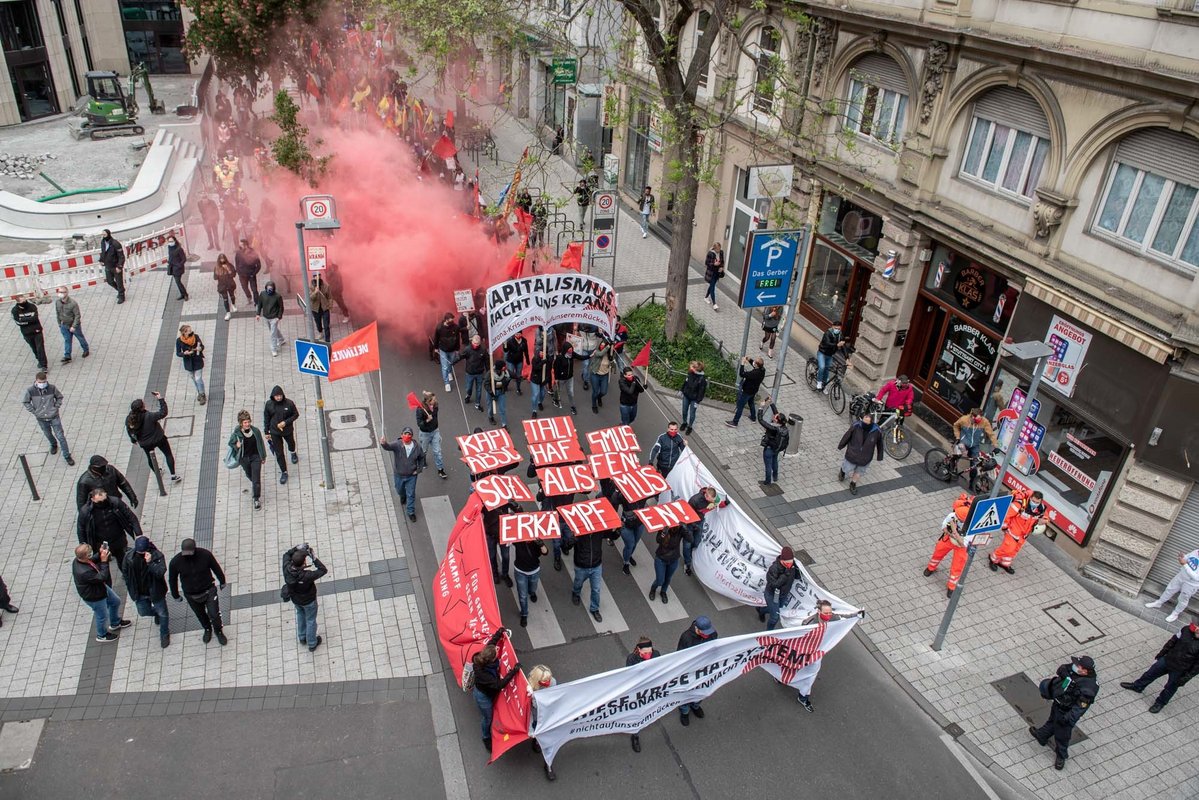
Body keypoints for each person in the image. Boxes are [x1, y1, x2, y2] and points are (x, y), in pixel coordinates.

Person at [1031, 655, 1098, 770]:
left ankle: (1061, 756)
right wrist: (1067, 677)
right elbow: (1062, 669)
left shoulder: (1088, 688)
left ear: (1085, 671)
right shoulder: (1074, 671)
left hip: (1067, 712)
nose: (1074, 666)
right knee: (1052, 720)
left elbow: (1080, 708)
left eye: (1078, 666)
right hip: (1059, 702)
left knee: (1062, 735)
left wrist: (1067, 719)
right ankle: (1042, 735)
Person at [1121, 615, 1199, 713]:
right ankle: (1138, 686)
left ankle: (1160, 703)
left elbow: (1197, 667)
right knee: (1149, 674)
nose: (1197, 629)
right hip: (1167, 660)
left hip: (1180, 670)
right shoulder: (1185, 630)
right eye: (1197, 627)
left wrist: (1185, 678)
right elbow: (1172, 642)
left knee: (1170, 688)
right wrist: (1160, 655)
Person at [168, 538, 227, 644]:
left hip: (209, 590)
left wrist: (222, 581)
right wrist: (175, 595)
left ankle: (218, 631)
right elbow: (172, 579)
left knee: (214, 614)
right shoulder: (175, 562)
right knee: (200, 614)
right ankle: (207, 629)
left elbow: (216, 568)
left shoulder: (205, 555)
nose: (187, 555)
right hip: (191, 595)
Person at [472, 629, 521, 753]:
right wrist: (513, 672)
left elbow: (492, 642)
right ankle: (486, 737)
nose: (498, 650)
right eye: (496, 652)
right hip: (483, 696)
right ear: (492, 660)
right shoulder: (484, 675)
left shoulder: (484, 655)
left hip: (487, 692)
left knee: (489, 714)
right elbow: (499, 685)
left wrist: (500, 632)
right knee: (487, 718)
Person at [77, 486, 142, 577]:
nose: (102, 503)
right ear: (92, 499)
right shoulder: (86, 511)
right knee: (102, 562)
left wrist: (138, 534)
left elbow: (131, 517)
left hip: (118, 538)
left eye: (104, 500)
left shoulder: (115, 502)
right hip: (101, 543)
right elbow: (81, 529)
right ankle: (105, 578)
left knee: (122, 559)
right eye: (99, 502)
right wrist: (83, 545)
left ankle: (127, 575)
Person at [72, 542, 130, 643]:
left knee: (115, 601)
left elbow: (92, 561)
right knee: (102, 615)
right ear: (85, 556)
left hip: (99, 588)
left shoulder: (79, 561)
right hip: (94, 596)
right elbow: (103, 576)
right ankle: (101, 634)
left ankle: (115, 622)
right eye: (89, 553)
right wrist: (104, 561)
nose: (91, 554)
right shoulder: (84, 572)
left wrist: (99, 554)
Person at [123, 536, 171, 648]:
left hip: (156, 591)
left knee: (163, 614)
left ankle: (164, 633)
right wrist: (129, 585)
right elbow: (125, 571)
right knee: (143, 612)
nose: (141, 554)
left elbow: (160, 573)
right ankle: (155, 614)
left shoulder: (157, 555)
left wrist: (150, 563)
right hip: (139, 592)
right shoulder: (129, 556)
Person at [563, 522, 616, 622]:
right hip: (581, 565)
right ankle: (576, 592)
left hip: (596, 565)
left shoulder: (599, 531)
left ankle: (594, 609)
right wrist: (572, 540)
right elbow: (565, 546)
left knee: (596, 589)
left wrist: (616, 530)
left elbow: (611, 535)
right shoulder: (578, 533)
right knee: (578, 582)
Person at [924, 493, 972, 598]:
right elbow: (944, 528)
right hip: (948, 539)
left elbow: (963, 544)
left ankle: (951, 587)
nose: (957, 519)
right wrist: (952, 532)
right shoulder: (953, 516)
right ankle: (930, 568)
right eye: (957, 517)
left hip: (961, 547)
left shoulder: (972, 527)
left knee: (957, 566)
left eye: (960, 519)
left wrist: (954, 531)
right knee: (938, 553)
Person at [989, 490, 1047, 574]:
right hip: (1013, 531)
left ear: (1040, 501)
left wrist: (1044, 521)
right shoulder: (1020, 504)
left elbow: (1046, 517)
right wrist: (1005, 527)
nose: (1034, 503)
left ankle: (1005, 563)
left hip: (1024, 535)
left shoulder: (1041, 508)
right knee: (1007, 548)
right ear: (1030, 498)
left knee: (1014, 550)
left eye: (1037, 502)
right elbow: (1007, 515)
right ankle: (993, 559)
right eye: (1033, 501)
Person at [126, 393, 181, 482]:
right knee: (168, 454)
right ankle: (173, 475)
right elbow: (163, 412)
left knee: (150, 458)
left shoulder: (130, 419)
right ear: (142, 407)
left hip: (145, 443)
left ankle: (157, 472)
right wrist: (160, 398)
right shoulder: (150, 416)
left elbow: (129, 430)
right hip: (159, 439)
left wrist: (133, 440)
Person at [22, 371, 73, 465]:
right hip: (41, 418)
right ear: (36, 381)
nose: (42, 384)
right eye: (40, 382)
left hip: (54, 417)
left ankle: (67, 455)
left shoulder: (52, 388)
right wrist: (34, 411)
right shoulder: (30, 390)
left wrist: (56, 407)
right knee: (47, 433)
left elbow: (59, 397)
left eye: (44, 382)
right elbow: (26, 402)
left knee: (61, 436)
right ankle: (53, 444)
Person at [284, 545, 328, 653]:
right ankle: (312, 643)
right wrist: (314, 557)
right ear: (304, 562)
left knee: (300, 614)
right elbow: (323, 570)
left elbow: (286, 555)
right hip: (309, 601)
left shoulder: (286, 568)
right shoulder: (307, 575)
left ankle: (302, 637)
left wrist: (296, 549)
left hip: (296, 599)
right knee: (310, 620)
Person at [676, 616, 718, 724]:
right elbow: (680, 656)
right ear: (697, 629)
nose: (707, 635)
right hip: (689, 671)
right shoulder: (686, 637)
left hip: (704, 669)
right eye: (705, 632)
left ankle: (695, 705)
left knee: (701, 690)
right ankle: (684, 711)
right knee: (686, 692)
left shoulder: (712, 634)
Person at [381, 426, 426, 522]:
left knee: (411, 494)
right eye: (405, 434)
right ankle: (402, 495)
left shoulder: (417, 447)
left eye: (409, 434)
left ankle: (411, 512)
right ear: (401, 435)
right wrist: (384, 443)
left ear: (412, 436)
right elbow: (388, 447)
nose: (407, 435)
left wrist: (419, 469)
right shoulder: (397, 445)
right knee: (399, 490)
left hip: (411, 476)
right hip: (399, 475)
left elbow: (422, 458)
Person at [837, 410, 884, 495]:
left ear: (871, 422)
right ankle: (843, 472)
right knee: (847, 468)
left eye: (867, 423)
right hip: (852, 454)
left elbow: (880, 443)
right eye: (863, 421)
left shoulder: (877, 431)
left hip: (865, 458)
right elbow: (847, 436)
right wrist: (841, 445)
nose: (864, 424)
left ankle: (853, 484)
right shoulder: (856, 426)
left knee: (859, 472)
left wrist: (880, 456)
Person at [951, 408, 999, 490]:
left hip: (975, 445)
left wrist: (996, 446)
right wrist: (958, 437)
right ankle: (950, 471)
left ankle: (972, 483)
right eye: (976, 420)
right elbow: (955, 425)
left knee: (975, 464)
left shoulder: (984, 421)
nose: (978, 422)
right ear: (972, 416)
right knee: (956, 455)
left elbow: (991, 434)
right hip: (964, 442)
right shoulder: (964, 419)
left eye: (979, 420)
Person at [1146, 549, 1199, 623]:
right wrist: (1182, 557)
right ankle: (1159, 603)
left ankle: (1175, 613)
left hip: (1191, 584)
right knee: (1169, 589)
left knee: (1183, 598)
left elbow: (1197, 577)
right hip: (1181, 576)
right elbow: (1187, 558)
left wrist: (1185, 564)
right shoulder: (1196, 551)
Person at [625, 637, 659, 752]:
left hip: (650, 688)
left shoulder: (656, 654)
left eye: (650, 652)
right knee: (636, 714)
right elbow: (629, 676)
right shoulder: (632, 659)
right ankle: (635, 735)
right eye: (645, 653)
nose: (648, 654)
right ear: (638, 650)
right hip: (638, 690)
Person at [683, 487, 726, 576]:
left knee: (696, 543)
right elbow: (687, 513)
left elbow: (717, 503)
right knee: (687, 544)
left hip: (700, 522)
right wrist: (693, 524)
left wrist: (725, 503)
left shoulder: (713, 498)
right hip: (690, 524)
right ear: (706, 496)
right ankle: (687, 564)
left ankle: (691, 555)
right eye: (711, 500)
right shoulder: (694, 500)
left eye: (713, 500)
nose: (712, 502)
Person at [229, 409, 266, 509]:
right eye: (245, 422)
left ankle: (256, 498)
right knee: (249, 475)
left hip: (255, 457)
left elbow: (261, 443)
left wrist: (263, 456)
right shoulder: (237, 434)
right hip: (244, 459)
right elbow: (230, 443)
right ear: (241, 423)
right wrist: (236, 446)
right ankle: (255, 484)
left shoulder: (255, 431)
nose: (247, 424)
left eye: (248, 421)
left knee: (256, 478)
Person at [263, 385, 300, 484]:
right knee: (279, 453)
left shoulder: (289, 403)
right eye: (276, 396)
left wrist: (286, 422)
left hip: (287, 430)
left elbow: (296, 414)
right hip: (275, 432)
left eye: (280, 395)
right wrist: (266, 431)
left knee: (291, 443)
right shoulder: (269, 404)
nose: (278, 398)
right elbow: (266, 418)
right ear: (273, 396)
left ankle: (292, 452)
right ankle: (284, 471)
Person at [648, 524, 692, 605]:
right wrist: (664, 532)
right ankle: (653, 589)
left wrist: (686, 529)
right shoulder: (664, 528)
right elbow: (658, 540)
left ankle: (663, 592)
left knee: (668, 578)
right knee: (660, 580)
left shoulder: (681, 530)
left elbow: (690, 539)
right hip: (661, 559)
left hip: (673, 560)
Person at [760, 547, 802, 630]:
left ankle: (762, 610)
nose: (789, 565)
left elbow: (797, 576)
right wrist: (785, 574)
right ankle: (769, 633)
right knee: (775, 617)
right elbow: (774, 584)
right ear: (781, 560)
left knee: (778, 608)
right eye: (787, 563)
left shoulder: (792, 566)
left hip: (783, 594)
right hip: (772, 594)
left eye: (791, 562)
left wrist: (797, 570)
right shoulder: (774, 568)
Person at [513, 537, 548, 628]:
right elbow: (508, 539)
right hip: (520, 571)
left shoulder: (537, 541)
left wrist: (541, 544)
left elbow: (545, 552)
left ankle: (532, 592)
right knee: (522, 596)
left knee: (533, 587)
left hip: (534, 570)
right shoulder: (518, 539)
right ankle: (524, 614)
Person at [415, 391, 447, 479]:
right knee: (424, 450)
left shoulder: (435, 406)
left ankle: (440, 469)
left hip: (435, 431)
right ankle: (423, 460)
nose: (435, 400)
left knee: (438, 451)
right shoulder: (420, 409)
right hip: (425, 433)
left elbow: (434, 411)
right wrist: (427, 420)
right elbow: (419, 423)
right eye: (433, 399)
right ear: (428, 401)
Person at [11, 294, 48, 370]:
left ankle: (44, 365)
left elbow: (35, 318)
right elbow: (18, 322)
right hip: (26, 333)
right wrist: (29, 320)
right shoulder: (15, 310)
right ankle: (39, 359)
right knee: (34, 348)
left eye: (25, 300)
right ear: (18, 302)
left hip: (37, 331)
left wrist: (24, 320)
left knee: (40, 348)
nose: (24, 302)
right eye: (22, 301)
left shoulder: (32, 307)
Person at [54, 286, 90, 363]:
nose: (60, 294)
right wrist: (59, 324)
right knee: (67, 340)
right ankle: (67, 356)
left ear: (66, 293)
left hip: (73, 325)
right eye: (59, 292)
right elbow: (57, 313)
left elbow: (77, 315)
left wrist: (74, 326)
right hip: (64, 325)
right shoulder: (57, 302)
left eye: (62, 292)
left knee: (80, 337)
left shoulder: (73, 303)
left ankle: (86, 349)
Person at [726, 357, 765, 427]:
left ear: (757, 365)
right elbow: (754, 364)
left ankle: (735, 422)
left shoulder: (753, 373)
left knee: (740, 406)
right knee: (751, 403)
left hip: (747, 391)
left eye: (755, 362)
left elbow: (742, 374)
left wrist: (742, 364)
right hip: (754, 390)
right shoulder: (762, 370)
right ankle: (753, 418)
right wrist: (749, 359)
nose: (753, 363)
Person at [759, 402, 791, 486]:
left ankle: (767, 481)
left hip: (769, 448)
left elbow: (761, 420)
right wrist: (771, 403)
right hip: (777, 448)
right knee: (774, 461)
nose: (774, 416)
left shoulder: (773, 429)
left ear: (776, 420)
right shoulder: (784, 427)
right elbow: (777, 414)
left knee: (768, 465)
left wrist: (761, 408)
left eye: (775, 417)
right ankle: (775, 476)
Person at [175, 324, 207, 404]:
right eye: (189, 331)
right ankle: (199, 392)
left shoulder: (195, 337)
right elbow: (178, 353)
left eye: (190, 330)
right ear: (184, 333)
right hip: (188, 362)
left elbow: (202, 346)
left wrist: (200, 348)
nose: (191, 331)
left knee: (198, 379)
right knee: (193, 378)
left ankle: (202, 394)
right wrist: (184, 353)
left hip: (197, 360)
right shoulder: (179, 341)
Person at [457, 335, 490, 411]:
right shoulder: (467, 349)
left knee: (479, 389)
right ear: (472, 341)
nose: (475, 345)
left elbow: (487, 361)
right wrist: (453, 361)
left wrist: (488, 371)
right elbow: (461, 356)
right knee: (469, 387)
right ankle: (468, 395)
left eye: (477, 344)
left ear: (479, 343)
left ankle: (477, 404)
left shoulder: (483, 350)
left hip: (479, 373)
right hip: (470, 373)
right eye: (474, 343)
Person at [255, 280, 286, 357]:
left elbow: (281, 307)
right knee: (273, 330)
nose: (269, 290)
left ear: (273, 288)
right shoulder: (262, 294)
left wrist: (278, 317)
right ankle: (281, 339)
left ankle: (274, 349)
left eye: (271, 288)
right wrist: (258, 314)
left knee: (273, 334)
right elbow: (259, 304)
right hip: (266, 317)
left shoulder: (278, 296)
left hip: (274, 318)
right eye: (268, 288)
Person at [434, 313, 462, 393]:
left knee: (451, 363)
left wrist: (457, 349)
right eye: (450, 320)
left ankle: (449, 372)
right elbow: (436, 338)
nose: (452, 322)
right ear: (446, 320)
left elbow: (457, 339)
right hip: (443, 350)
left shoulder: (456, 327)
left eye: (453, 320)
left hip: (452, 350)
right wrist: (436, 348)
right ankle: (447, 383)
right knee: (444, 366)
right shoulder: (439, 328)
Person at [99, 229, 126, 303]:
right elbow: (103, 252)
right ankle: (120, 291)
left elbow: (121, 256)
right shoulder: (103, 242)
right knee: (110, 281)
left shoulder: (115, 243)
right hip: (108, 266)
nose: (103, 236)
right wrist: (101, 260)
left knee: (119, 282)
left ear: (108, 234)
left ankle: (121, 295)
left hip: (115, 266)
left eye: (104, 235)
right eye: (102, 235)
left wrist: (119, 266)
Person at [680, 360, 708, 435]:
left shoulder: (702, 380)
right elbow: (686, 382)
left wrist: (697, 401)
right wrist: (682, 390)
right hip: (686, 395)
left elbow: (701, 392)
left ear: (696, 369)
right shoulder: (690, 373)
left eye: (692, 366)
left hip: (694, 399)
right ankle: (684, 422)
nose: (690, 367)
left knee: (692, 414)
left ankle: (690, 427)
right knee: (684, 411)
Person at [814, 324, 844, 391]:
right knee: (822, 367)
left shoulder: (840, 335)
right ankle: (819, 382)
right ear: (832, 327)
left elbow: (842, 347)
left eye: (839, 329)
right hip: (822, 353)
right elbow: (827, 343)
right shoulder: (827, 333)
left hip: (830, 355)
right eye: (836, 328)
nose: (837, 330)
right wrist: (837, 345)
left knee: (827, 369)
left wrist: (847, 358)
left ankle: (824, 384)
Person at [552, 342, 578, 415]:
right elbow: (555, 368)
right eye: (569, 349)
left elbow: (580, 357)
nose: (571, 351)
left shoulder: (572, 355)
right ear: (566, 349)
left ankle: (573, 406)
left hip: (570, 377)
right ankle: (555, 398)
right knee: (558, 390)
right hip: (561, 378)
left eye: (571, 349)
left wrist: (589, 355)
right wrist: (556, 378)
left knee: (571, 393)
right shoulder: (559, 357)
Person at [234, 238, 262, 304]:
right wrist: (238, 271)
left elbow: (258, 264)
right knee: (245, 288)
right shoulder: (238, 253)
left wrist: (254, 273)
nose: (239, 246)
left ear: (245, 245)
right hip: (242, 275)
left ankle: (257, 302)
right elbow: (237, 263)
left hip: (251, 274)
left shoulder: (253, 252)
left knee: (254, 290)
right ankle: (249, 297)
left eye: (241, 245)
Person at [589, 340, 613, 414]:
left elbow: (611, 364)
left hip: (604, 375)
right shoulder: (597, 352)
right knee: (595, 392)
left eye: (604, 345)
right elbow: (600, 354)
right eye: (601, 345)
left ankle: (599, 397)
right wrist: (608, 346)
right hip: (595, 374)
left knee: (604, 392)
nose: (602, 346)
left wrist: (612, 359)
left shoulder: (609, 355)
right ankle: (594, 405)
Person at [504, 331, 530, 396]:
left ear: (521, 334)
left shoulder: (524, 340)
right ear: (514, 334)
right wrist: (505, 345)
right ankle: (505, 386)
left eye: (519, 333)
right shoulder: (510, 341)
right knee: (510, 375)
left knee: (518, 375)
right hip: (511, 360)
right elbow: (506, 350)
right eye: (516, 334)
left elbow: (526, 351)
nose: (518, 335)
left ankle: (518, 389)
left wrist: (527, 360)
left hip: (519, 360)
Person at [485, 360, 511, 428]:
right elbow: (486, 384)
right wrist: (491, 394)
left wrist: (518, 377)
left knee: (502, 409)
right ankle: (490, 417)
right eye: (503, 366)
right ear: (500, 368)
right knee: (490, 407)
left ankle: (504, 424)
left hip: (501, 392)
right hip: (491, 392)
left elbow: (511, 374)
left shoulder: (505, 372)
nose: (505, 367)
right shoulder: (490, 373)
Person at [214, 253, 239, 320]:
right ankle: (228, 313)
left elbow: (233, 274)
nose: (222, 260)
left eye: (223, 258)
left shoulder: (229, 265)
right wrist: (218, 272)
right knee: (225, 299)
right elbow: (215, 277)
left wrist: (228, 269)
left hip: (230, 284)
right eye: (221, 259)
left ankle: (233, 304)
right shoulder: (216, 267)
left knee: (232, 296)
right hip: (222, 286)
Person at [309, 274, 333, 343]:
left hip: (325, 308)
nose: (317, 277)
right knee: (318, 323)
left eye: (318, 275)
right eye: (315, 276)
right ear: (313, 277)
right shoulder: (310, 287)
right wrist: (315, 292)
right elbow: (310, 298)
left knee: (326, 325)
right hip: (315, 309)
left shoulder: (326, 286)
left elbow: (330, 297)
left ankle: (327, 340)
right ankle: (320, 332)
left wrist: (330, 307)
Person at [529, 348, 552, 418]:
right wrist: (542, 362)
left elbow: (549, 370)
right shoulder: (535, 359)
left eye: (543, 352)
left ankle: (539, 402)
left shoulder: (548, 359)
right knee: (535, 394)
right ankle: (534, 410)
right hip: (535, 380)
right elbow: (535, 368)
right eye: (541, 352)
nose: (542, 354)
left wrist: (549, 382)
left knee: (542, 393)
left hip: (543, 380)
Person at [167, 234, 189, 301]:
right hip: (172, 268)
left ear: (175, 241)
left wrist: (179, 265)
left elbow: (184, 259)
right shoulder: (169, 247)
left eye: (171, 241)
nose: (170, 243)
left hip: (178, 269)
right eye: (169, 241)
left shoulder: (179, 249)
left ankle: (185, 295)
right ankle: (182, 294)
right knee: (177, 282)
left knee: (178, 282)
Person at [703, 243, 724, 310]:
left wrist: (721, 267)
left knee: (712, 285)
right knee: (712, 288)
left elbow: (722, 261)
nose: (719, 250)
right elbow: (707, 263)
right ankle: (714, 304)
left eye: (720, 248)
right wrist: (714, 264)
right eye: (718, 249)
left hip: (717, 272)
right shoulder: (710, 253)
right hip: (711, 272)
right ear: (714, 248)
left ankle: (706, 297)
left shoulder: (721, 252)